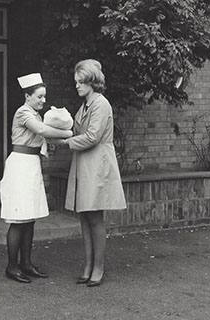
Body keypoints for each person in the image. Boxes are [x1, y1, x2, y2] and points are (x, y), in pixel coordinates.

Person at [58, 59, 127, 287]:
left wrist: (66, 142)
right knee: (85, 216)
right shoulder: (86, 104)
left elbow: (92, 137)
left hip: (97, 164)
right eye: (76, 82)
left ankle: (98, 267)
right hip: (85, 164)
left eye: (80, 82)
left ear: (91, 82)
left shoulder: (100, 104)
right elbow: (78, 130)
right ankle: (88, 265)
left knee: (95, 217)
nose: (77, 86)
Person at [0, 73, 73, 284]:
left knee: (29, 218)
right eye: (39, 96)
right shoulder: (24, 113)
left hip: (31, 165)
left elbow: (48, 137)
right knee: (18, 219)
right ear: (27, 96)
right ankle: (12, 266)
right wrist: (70, 133)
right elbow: (42, 131)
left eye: (44, 96)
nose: (43, 100)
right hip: (20, 165)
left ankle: (26, 264)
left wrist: (74, 137)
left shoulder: (36, 114)